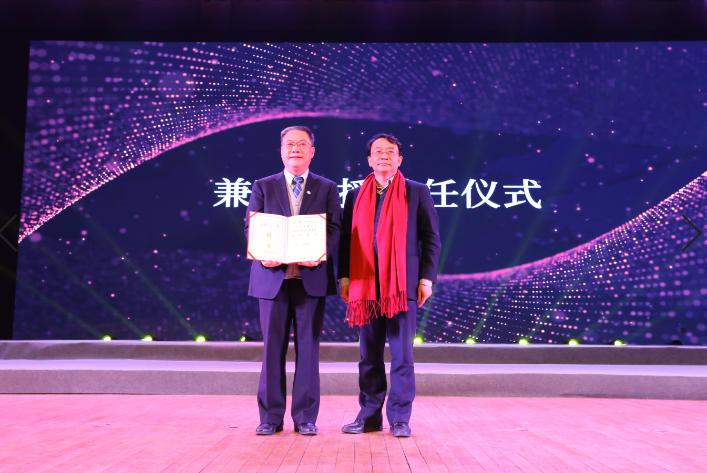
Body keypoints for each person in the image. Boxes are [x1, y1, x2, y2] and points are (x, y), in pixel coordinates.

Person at [338, 133, 441, 437]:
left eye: (390, 152)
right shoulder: (355, 195)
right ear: (369, 159)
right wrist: (344, 277)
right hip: (365, 287)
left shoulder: (416, 192)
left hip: (401, 287)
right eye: (378, 151)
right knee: (368, 357)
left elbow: (431, 239)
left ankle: (399, 418)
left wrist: (426, 279)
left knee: (402, 357)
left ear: (400, 159)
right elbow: (345, 241)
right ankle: (369, 416)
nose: (384, 156)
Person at [246, 125, 340, 436]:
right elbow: (252, 227)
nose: (295, 149)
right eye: (289, 144)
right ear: (281, 150)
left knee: (308, 350)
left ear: (312, 151)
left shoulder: (326, 187)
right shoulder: (263, 186)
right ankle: (270, 418)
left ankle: (305, 418)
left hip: (310, 279)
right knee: (272, 351)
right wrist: (263, 254)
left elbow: (335, 229)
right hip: (272, 280)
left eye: (301, 144)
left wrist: (319, 253)